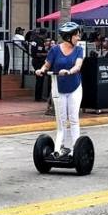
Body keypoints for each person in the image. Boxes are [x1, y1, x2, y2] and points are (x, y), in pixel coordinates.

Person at [35, 22, 84, 158]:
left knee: (73, 118)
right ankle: (58, 148)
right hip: (58, 87)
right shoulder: (55, 50)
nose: (78, 38)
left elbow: (78, 66)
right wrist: (42, 70)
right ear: (68, 37)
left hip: (74, 87)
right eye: (76, 36)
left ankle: (76, 148)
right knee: (61, 120)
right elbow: (47, 64)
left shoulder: (79, 50)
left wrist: (69, 71)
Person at [30, 38, 49, 102]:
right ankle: (38, 97)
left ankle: (38, 97)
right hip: (38, 62)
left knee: (40, 80)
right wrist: (48, 54)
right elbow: (38, 54)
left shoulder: (35, 40)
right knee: (40, 80)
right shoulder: (39, 41)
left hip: (36, 61)